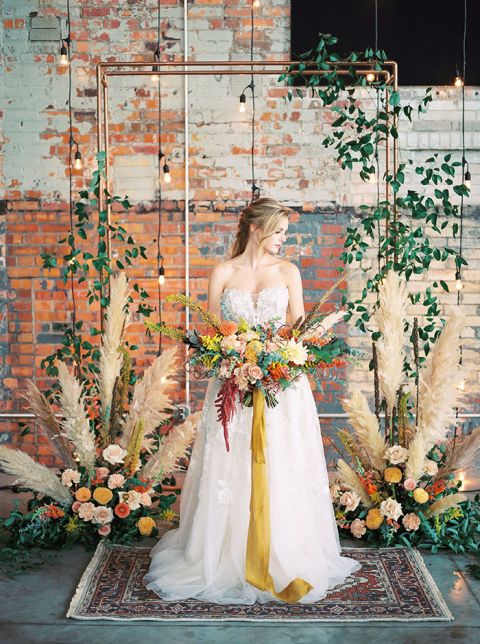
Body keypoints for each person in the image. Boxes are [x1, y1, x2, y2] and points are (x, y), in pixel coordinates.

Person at [144, 197, 362, 604]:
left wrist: (282, 358)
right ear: (257, 229)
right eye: (279, 231)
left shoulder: (288, 272)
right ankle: (226, 554)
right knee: (232, 464)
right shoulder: (222, 272)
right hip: (233, 388)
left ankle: (285, 550)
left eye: (285, 232)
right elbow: (210, 331)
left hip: (283, 387)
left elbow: (299, 331)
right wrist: (229, 356)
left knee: (282, 464)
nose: (283, 238)